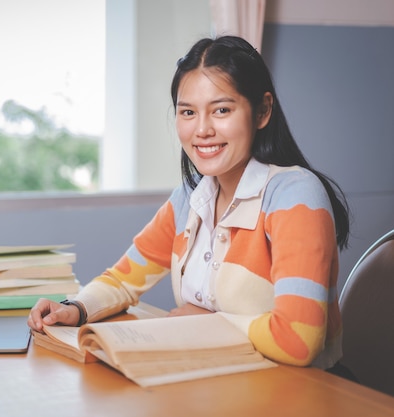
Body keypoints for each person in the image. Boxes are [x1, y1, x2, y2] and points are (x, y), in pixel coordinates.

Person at [28, 35, 351, 371]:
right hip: (223, 382)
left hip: (305, 394)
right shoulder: (190, 197)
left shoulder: (293, 194)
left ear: (262, 111)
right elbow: (122, 279)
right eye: (188, 112)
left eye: (222, 110)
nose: (202, 130)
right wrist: (76, 308)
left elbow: (298, 340)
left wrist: (207, 323)